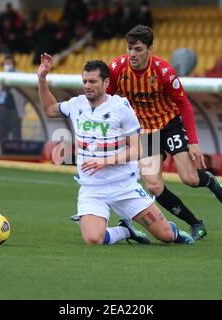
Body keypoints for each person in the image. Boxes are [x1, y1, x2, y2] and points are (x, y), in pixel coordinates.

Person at [37, 53, 194, 245]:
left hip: (124, 187)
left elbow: (137, 150)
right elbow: (49, 109)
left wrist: (104, 161)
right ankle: (125, 230)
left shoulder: (121, 108)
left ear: (106, 83)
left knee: (166, 237)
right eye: (85, 81)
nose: (87, 86)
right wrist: (42, 78)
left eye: (93, 81)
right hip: (92, 189)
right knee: (93, 239)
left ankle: (174, 231)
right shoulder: (76, 104)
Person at [106, 25, 222, 240]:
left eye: (137, 49)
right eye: (130, 49)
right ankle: (195, 223)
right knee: (154, 186)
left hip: (169, 125)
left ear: (150, 49)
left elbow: (184, 105)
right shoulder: (117, 69)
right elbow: (107, 102)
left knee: (189, 179)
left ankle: (209, 181)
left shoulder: (163, 71)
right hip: (146, 132)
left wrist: (193, 142)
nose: (132, 54)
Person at [0, 55, 26, 153]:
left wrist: (21, 105)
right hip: (2, 109)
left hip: (14, 109)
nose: (7, 65)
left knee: (16, 135)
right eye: (6, 63)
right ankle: (3, 153)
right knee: (2, 135)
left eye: (9, 63)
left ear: (13, 63)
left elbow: (26, 95)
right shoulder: (1, 76)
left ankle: (17, 155)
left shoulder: (20, 75)